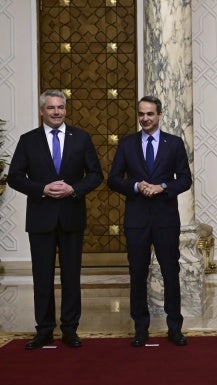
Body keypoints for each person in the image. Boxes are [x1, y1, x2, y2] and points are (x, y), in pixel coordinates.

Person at [7, 89, 103, 349]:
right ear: (42, 111)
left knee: (72, 276)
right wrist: (41, 189)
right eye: (51, 108)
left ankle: (70, 330)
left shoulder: (81, 138)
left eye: (60, 107)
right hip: (41, 217)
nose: (57, 112)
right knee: (42, 276)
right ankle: (44, 329)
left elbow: (95, 175)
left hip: (72, 216)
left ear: (65, 109)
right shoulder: (28, 140)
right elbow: (14, 176)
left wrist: (74, 189)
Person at [107, 96, 192, 347]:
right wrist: (135, 185)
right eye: (141, 114)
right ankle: (140, 328)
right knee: (137, 273)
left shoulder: (174, 143)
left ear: (159, 115)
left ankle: (174, 327)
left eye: (150, 114)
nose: (145, 118)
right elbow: (113, 179)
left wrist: (162, 186)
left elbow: (185, 179)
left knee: (170, 273)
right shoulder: (126, 144)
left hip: (166, 219)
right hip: (136, 219)